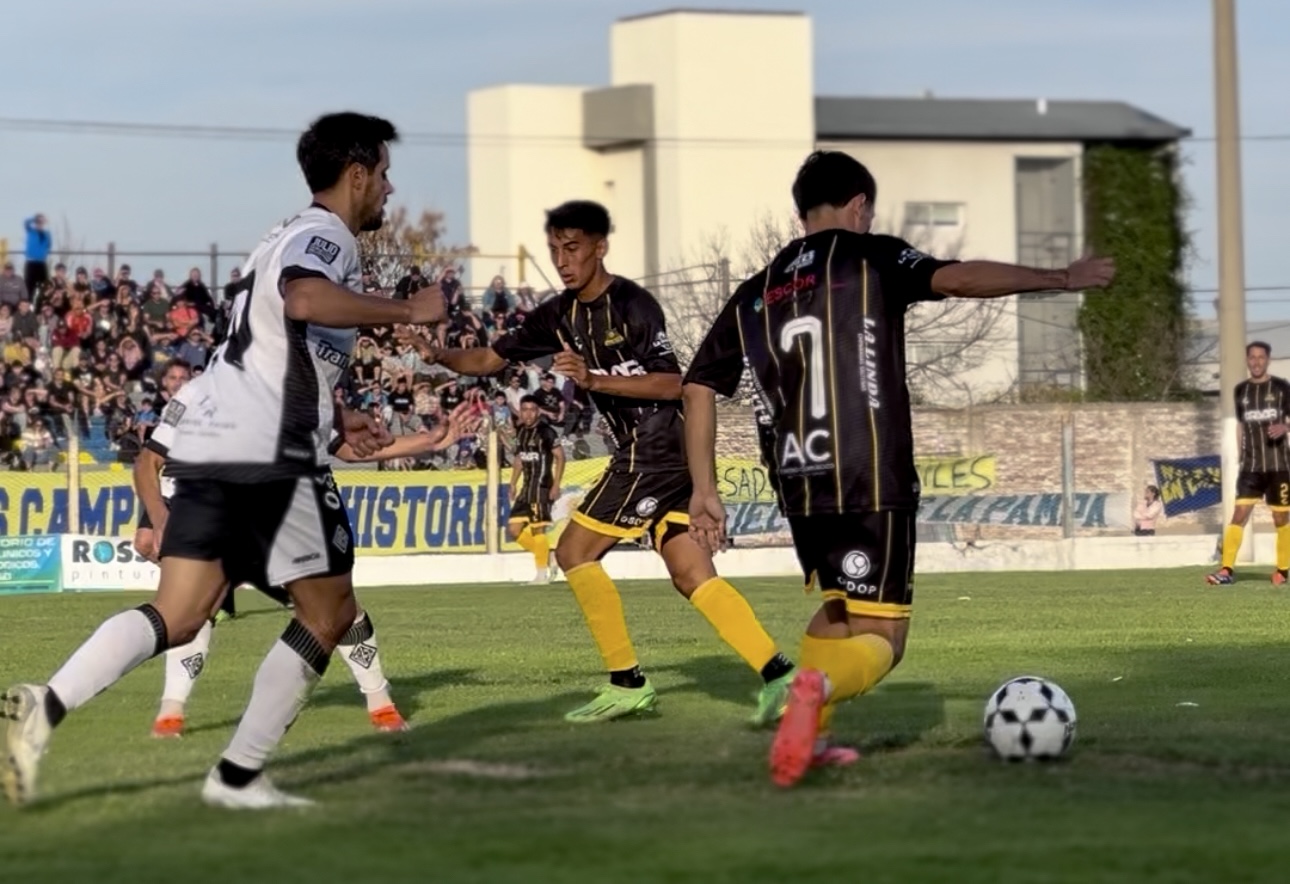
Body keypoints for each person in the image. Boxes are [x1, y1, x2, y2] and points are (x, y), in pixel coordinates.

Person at [2, 111, 446, 810]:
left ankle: (44, 702)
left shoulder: (275, 239)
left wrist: (336, 418)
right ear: (356, 174)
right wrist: (408, 310)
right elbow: (304, 299)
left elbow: (274, 349)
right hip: (270, 456)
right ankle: (237, 776)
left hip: (214, 447)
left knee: (178, 615)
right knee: (330, 613)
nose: (389, 189)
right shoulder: (327, 236)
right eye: (384, 175)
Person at [681, 150, 1115, 787]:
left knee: (836, 614)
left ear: (802, 213)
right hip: (869, 475)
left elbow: (697, 386)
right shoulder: (869, 256)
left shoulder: (755, 290)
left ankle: (810, 737)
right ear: (859, 205)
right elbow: (957, 279)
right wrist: (1060, 277)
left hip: (799, 484)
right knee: (884, 637)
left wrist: (704, 489)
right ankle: (815, 687)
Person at [421, 200, 794, 724]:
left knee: (574, 551)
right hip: (652, 455)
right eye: (555, 250)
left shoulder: (634, 305)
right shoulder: (557, 315)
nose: (562, 260)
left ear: (600, 248)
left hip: (655, 449)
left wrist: (594, 379)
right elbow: (488, 359)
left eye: (572, 248)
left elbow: (676, 384)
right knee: (690, 573)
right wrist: (439, 356)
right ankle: (781, 674)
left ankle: (628, 683)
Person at [134, 396, 478, 738]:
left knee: (339, 612)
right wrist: (160, 519)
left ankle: (380, 702)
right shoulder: (205, 396)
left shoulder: (300, 397)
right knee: (191, 611)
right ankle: (170, 714)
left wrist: (428, 442)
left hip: (281, 524)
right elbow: (151, 461)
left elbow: (348, 448)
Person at [1206, 341, 1290, 586]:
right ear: (1247, 360)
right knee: (1239, 514)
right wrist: (1240, 456)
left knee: (1281, 518)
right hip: (1251, 468)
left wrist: (1285, 427)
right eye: (1252, 357)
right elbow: (1241, 425)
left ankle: (1283, 570)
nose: (1256, 362)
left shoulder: (1282, 387)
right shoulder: (1241, 390)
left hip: (1279, 466)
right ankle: (1226, 570)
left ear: (1268, 360)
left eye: (1261, 357)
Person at [508, 395, 564, 585]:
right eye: (525, 410)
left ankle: (541, 576)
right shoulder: (521, 432)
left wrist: (556, 484)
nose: (528, 414)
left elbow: (560, 457)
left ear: (538, 411)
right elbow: (519, 459)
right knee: (514, 530)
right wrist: (513, 483)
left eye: (532, 410)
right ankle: (549, 557)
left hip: (541, 487)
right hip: (525, 489)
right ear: (520, 411)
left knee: (537, 529)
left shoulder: (546, 432)